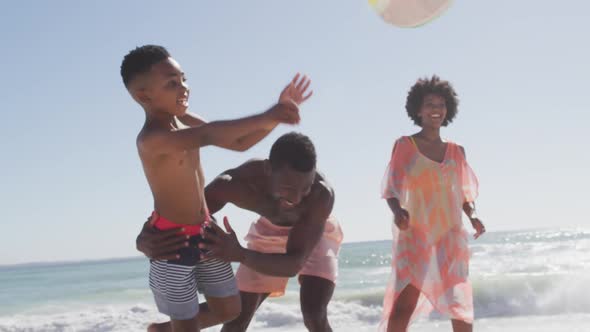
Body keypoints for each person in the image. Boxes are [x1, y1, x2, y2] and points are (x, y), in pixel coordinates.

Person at [121, 44, 312, 332]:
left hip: (205, 233)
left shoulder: (180, 123)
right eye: (172, 83)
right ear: (144, 95)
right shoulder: (152, 139)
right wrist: (267, 115)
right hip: (171, 243)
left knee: (230, 308)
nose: (183, 87)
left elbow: (238, 143)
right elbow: (210, 134)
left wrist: (275, 118)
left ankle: (162, 330)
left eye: (183, 78)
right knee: (186, 326)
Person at [137, 132, 343, 332]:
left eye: (305, 188)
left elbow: (293, 264)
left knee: (314, 315)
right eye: (288, 188)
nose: (297, 199)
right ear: (268, 169)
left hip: (313, 234)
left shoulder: (321, 196)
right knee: (236, 319)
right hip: (267, 234)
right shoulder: (233, 184)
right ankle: (167, 329)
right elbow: (182, 215)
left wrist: (239, 254)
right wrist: (145, 239)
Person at [380, 76, 486, 332]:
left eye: (440, 104)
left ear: (448, 109)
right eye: (429, 103)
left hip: (449, 237)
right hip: (415, 235)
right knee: (403, 306)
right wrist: (398, 212)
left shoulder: (456, 151)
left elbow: (464, 194)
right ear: (418, 109)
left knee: (460, 305)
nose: (435, 109)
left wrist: (472, 216)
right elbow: (391, 188)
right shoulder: (405, 145)